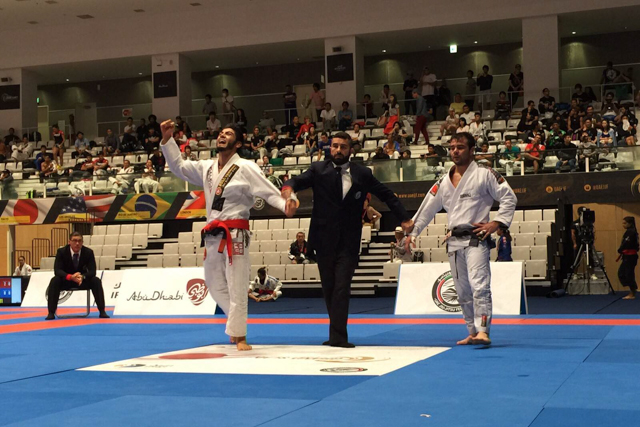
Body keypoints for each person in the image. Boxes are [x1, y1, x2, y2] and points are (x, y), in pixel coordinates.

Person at [161, 120, 289, 351]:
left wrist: (284, 204)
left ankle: (240, 336)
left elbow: (268, 192)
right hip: (213, 235)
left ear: (238, 143)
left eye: (228, 133)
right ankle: (234, 324)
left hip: (236, 234)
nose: (222, 135)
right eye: (221, 132)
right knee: (213, 284)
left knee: (237, 284)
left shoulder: (247, 167)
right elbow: (178, 166)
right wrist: (168, 140)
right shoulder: (207, 168)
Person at [281, 132, 413, 347]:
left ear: (351, 150)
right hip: (323, 240)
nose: (338, 150)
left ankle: (338, 338)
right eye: (334, 146)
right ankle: (336, 334)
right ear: (329, 148)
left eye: (343, 146)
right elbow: (296, 181)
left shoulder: (362, 173)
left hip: (349, 241)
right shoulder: (318, 170)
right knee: (329, 288)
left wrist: (404, 218)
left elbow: (387, 194)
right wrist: (289, 191)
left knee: (342, 287)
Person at [405, 132, 517, 346]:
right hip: (454, 241)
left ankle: (483, 330)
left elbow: (509, 197)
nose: (455, 151)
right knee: (462, 291)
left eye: (460, 147)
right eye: (452, 147)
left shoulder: (484, 174)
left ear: (472, 150)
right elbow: (426, 210)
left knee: (479, 286)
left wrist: (496, 223)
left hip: (476, 238)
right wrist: (413, 233)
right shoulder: (444, 181)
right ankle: (472, 331)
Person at [46, 232, 109, 320]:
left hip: (81, 280)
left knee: (96, 280)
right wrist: (70, 277)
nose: (77, 243)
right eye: (74, 241)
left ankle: (102, 311)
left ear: (82, 242)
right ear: (69, 242)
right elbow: (57, 270)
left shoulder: (88, 252)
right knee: (54, 280)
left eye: (79, 241)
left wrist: (82, 277)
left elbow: (92, 271)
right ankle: (51, 312)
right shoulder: (61, 252)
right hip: (67, 280)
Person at [618, 216, 639, 300]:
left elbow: (626, 243)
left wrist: (620, 249)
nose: (623, 225)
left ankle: (632, 292)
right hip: (627, 256)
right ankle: (633, 288)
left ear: (630, 223)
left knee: (628, 274)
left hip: (630, 256)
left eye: (625, 223)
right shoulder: (629, 232)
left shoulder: (631, 232)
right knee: (622, 273)